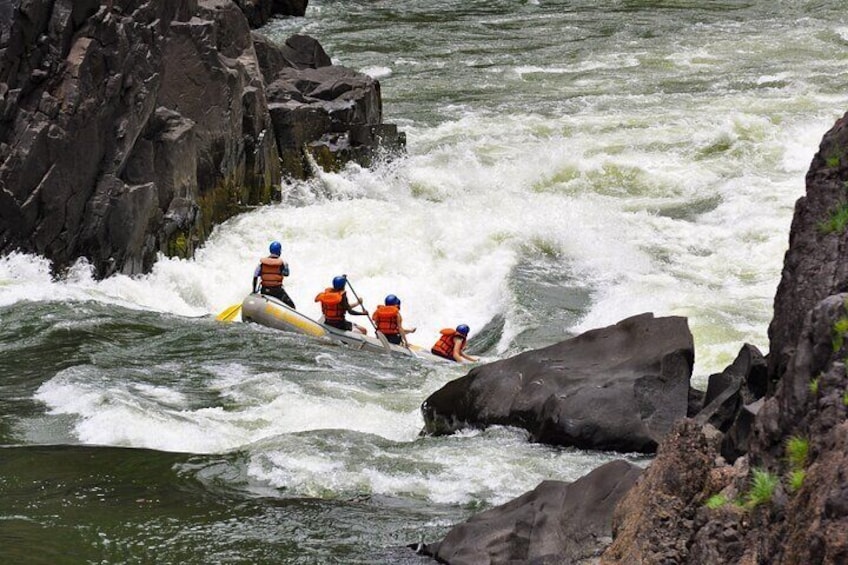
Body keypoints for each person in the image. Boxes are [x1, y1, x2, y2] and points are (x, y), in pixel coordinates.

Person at [253, 240, 296, 309]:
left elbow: (255, 276)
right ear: (279, 251)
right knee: (292, 306)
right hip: (277, 291)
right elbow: (286, 274)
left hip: (264, 290)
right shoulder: (283, 263)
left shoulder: (261, 264)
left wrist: (254, 291)